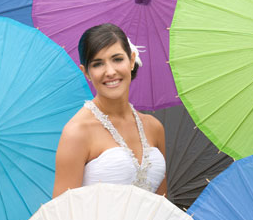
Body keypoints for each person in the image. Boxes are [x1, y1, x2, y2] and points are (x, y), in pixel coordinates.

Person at [52, 23, 167, 197]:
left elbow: (163, 203)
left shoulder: (154, 127)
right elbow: (62, 213)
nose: (110, 71)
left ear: (131, 59)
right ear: (86, 72)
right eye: (98, 64)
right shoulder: (77, 132)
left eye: (117, 59)